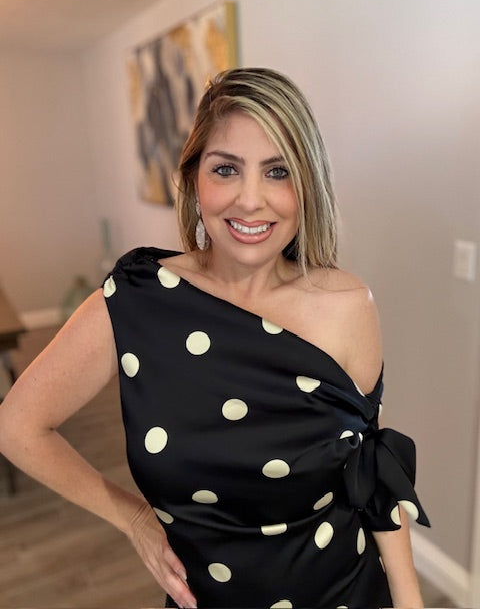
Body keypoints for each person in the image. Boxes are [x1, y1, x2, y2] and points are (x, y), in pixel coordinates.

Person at [0, 67, 429, 609]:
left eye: (278, 171)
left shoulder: (347, 306)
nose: (250, 200)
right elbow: (18, 426)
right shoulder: (137, 302)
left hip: (344, 592)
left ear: (307, 185)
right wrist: (133, 519)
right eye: (226, 169)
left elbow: (373, 468)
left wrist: (410, 601)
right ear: (194, 179)